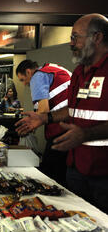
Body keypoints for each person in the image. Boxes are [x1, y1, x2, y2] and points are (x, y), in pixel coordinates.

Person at [15, 13, 108, 213]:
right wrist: (44, 117)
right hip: (76, 166)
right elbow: (71, 110)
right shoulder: (79, 72)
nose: (71, 43)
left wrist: (86, 134)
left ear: (97, 38)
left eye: (75, 37)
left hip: (102, 172)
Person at [16, 59, 72, 187]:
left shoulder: (38, 76)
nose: (24, 84)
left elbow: (43, 110)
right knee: (63, 174)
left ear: (28, 72)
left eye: (22, 79)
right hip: (73, 127)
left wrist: (30, 126)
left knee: (51, 175)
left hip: (60, 129)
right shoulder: (54, 68)